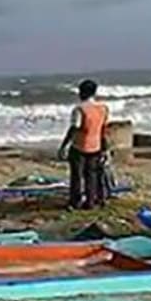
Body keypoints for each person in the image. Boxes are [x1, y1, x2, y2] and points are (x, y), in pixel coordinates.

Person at [58, 79, 109, 210]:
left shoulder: (79, 109)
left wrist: (64, 145)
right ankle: (90, 202)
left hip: (80, 146)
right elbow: (103, 130)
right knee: (91, 175)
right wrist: (105, 148)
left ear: (81, 92)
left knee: (77, 175)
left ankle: (75, 202)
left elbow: (74, 128)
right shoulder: (102, 109)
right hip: (96, 146)